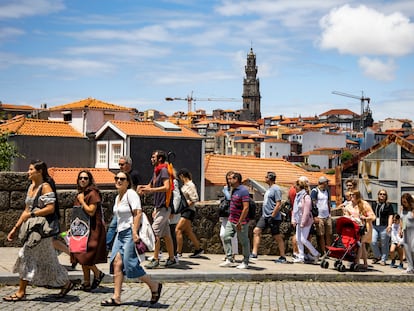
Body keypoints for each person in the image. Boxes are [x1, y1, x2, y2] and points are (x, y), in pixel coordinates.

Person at [3, 160, 74, 302]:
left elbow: (50, 208)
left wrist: (32, 215)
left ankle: (21, 292)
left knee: (25, 254)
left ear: (39, 171)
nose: (28, 172)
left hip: (41, 231)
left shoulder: (45, 187)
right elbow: (26, 210)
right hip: (33, 228)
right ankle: (67, 283)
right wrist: (15, 228)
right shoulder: (31, 187)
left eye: (30, 169)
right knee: (48, 261)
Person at [101, 171, 162, 306]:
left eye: (122, 179)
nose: (119, 181)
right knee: (116, 263)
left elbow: (138, 213)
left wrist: (134, 233)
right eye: (117, 178)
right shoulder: (118, 198)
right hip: (120, 233)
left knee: (130, 265)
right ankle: (116, 297)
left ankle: (154, 285)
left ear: (128, 182)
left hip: (130, 232)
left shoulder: (131, 194)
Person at [138, 150, 176, 269]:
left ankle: (155, 259)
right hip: (160, 207)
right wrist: (142, 187)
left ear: (160, 159)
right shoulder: (157, 171)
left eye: (153, 157)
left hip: (164, 207)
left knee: (154, 233)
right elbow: (151, 185)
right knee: (166, 235)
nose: (151, 159)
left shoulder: (163, 170)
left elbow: (166, 187)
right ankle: (172, 258)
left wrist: (150, 191)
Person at [70, 170, 107, 291]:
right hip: (80, 230)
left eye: (85, 178)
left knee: (85, 256)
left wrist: (81, 201)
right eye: (80, 178)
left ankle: (98, 273)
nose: (82, 180)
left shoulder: (92, 194)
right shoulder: (81, 193)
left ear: (89, 180)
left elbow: (91, 211)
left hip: (92, 229)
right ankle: (86, 283)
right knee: (79, 254)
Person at [250, 172, 287, 264]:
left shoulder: (276, 189)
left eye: (266, 177)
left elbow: (278, 203)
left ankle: (283, 256)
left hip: (273, 216)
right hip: (265, 216)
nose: (264, 178)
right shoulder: (269, 189)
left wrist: (273, 215)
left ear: (270, 178)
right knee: (256, 231)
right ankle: (254, 253)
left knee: (277, 236)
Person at [107, 155, 141, 250]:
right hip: (121, 208)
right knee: (113, 226)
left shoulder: (134, 175)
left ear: (128, 164)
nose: (120, 166)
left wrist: (134, 232)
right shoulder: (118, 196)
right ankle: (108, 246)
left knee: (113, 226)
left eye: (122, 164)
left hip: (129, 210)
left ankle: (107, 245)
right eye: (119, 164)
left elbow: (139, 187)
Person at [219, 172, 251, 269]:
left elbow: (246, 208)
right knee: (226, 237)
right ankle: (229, 258)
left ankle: (245, 261)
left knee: (244, 241)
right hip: (231, 219)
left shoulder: (243, 191)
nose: (229, 181)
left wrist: (240, 222)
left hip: (240, 221)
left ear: (236, 179)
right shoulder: (234, 190)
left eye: (231, 179)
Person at [343, 190, 376, 271]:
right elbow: (346, 216)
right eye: (350, 195)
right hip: (354, 228)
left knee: (360, 243)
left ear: (357, 196)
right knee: (362, 245)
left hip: (364, 228)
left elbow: (373, 216)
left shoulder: (364, 204)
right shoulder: (348, 206)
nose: (350, 197)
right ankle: (365, 263)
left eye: (352, 195)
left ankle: (357, 262)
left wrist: (365, 218)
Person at [175, 168, 203, 258]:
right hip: (186, 210)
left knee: (178, 230)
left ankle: (178, 252)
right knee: (188, 231)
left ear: (182, 176)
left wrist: (185, 206)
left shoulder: (190, 185)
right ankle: (198, 249)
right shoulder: (186, 185)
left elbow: (194, 198)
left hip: (188, 210)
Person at [291, 177, 320, 263]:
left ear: (300, 187)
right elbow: (295, 209)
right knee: (298, 239)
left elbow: (306, 212)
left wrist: (302, 223)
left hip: (306, 222)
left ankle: (315, 253)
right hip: (298, 220)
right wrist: (294, 219)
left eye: (296, 186)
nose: (294, 188)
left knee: (303, 239)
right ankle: (301, 256)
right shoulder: (297, 196)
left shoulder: (306, 197)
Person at [370, 189, 394, 266]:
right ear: (378, 195)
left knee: (384, 244)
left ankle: (383, 259)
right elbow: (371, 214)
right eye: (380, 194)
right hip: (374, 226)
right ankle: (378, 256)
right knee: (372, 241)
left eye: (384, 194)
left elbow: (391, 216)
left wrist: (389, 225)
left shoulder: (388, 205)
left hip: (384, 226)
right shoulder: (374, 204)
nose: (382, 195)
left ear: (386, 196)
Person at [219, 171, 238, 260]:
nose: (229, 180)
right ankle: (228, 252)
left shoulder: (237, 189)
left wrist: (226, 192)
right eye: (228, 178)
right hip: (226, 215)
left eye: (231, 178)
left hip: (234, 214)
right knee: (222, 234)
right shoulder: (226, 188)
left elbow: (231, 199)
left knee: (232, 235)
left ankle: (232, 254)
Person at [311, 176, 332, 255]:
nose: (327, 184)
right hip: (319, 216)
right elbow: (313, 204)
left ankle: (329, 250)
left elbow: (328, 202)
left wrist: (329, 212)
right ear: (322, 183)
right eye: (326, 182)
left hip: (327, 215)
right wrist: (315, 216)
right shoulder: (315, 191)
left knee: (328, 234)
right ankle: (324, 251)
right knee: (321, 235)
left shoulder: (327, 191)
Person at [400, 193, 414, 274]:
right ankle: (410, 267)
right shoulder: (402, 209)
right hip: (406, 231)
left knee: (413, 249)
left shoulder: (413, 209)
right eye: (402, 202)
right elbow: (403, 220)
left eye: (405, 202)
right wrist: (401, 229)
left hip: (413, 231)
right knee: (407, 249)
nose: (403, 203)